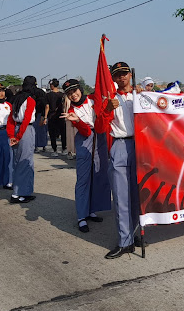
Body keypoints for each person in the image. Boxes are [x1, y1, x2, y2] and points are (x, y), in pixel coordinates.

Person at [96, 61, 141, 259]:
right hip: (120, 145)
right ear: (113, 78)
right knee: (122, 197)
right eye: (118, 75)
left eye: (125, 73)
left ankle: (136, 234)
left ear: (130, 75)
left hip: (140, 146)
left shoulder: (140, 96)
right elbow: (98, 127)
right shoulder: (109, 99)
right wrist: (106, 109)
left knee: (138, 195)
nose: (122, 77)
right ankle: (125, 241)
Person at [61, 79, 111, 233]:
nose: (73, 95)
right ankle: (81, 216)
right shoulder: (71, 112)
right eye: (69, 94)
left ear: (80, 89)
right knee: (83, 178)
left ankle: (92, 209)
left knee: (98, 175)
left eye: (74, 91)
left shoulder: (92, 99)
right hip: (85, 139)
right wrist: (78, 121)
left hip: (100, 137)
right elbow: (86, 132)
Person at [7, 76, 41, 203]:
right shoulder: (30, 100)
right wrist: (19, 136)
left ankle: (20, 191)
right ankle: (20, 193)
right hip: (25, 130)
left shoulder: (16, 99)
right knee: (26, 162)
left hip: (17, 129)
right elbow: (27, 119)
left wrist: (12, 136)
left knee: (17, 161)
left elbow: (11, 119)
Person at [44, 78, 67, 157]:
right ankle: (64, 149)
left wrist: (45, 117)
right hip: (61, 115)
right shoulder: (62, 95)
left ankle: (55, 150)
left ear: (52, 85)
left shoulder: (48, 95)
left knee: (52, 133)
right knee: (63, 133)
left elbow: (47, 106)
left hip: (51, 116)